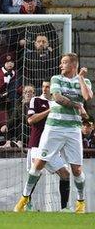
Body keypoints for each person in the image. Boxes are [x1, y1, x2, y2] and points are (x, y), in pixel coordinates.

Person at [14, 53, 92, 214]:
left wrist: (81, 78)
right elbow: (57, 98)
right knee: (38, 164)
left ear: (73, 65)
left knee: (76, 169)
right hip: (54, 128)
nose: (60, 65)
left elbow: (88, 96)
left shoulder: (83, 81)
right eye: (61, 62)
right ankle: (24, 199)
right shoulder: (56, 78)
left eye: (64, 63)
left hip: (73, 129)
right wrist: (78, 106)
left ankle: (80, 203)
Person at [20, 81, 71, 211]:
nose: (44, 89)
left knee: (65, 174)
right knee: (35, 174)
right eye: (43, 86)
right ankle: (27, 203)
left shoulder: (58, 105)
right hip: (37, 145)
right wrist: (49, 110)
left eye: (47, 87)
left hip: (52, 148)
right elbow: (31, 120)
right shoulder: (36, 100)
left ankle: (64, 208)